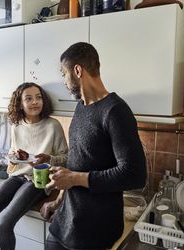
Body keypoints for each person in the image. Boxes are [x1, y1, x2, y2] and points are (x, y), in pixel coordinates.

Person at [41, 42, 147, 250]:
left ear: (77, 70)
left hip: (93, 230)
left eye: (64, 74)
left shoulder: (116, 111)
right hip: (65, 221)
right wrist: (59, 200)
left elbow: (134, 174)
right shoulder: (81, 107)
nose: (63, 80)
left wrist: (74, 179)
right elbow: (79, 160)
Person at [0, 82, 68, 250]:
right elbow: (12, 153)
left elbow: (66, 158)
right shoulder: (16, 126)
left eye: (38, 97)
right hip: (17, 177)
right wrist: (13, 158)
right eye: (28, 99)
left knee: (2, 226)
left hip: (37, 181)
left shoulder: (53, 125)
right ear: (20, 104)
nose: (35, 102)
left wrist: (49, 159)